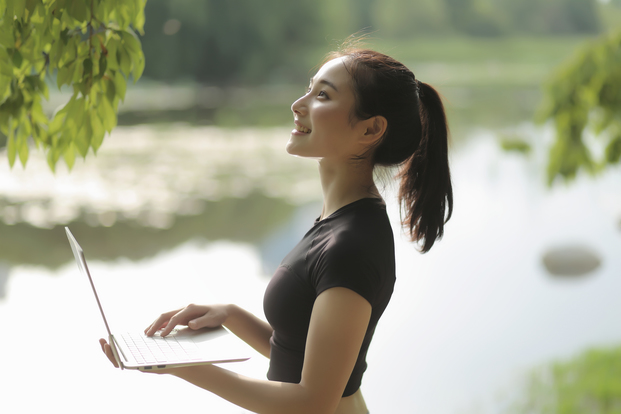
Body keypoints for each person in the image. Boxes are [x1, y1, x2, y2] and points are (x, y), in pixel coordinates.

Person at [100, 44, 453, 414]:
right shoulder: (340, 221)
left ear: (370, 129)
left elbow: (313, 401)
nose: (298, 105)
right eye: (309, 88)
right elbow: (300, 356)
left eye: (322, 95)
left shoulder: (352, 246)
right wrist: (231, 315)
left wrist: (182, 366)